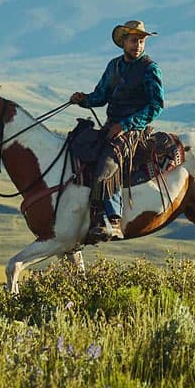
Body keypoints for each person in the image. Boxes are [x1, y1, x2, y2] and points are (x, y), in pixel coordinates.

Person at [69, 19, 164, 241]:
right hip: (112, 125)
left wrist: (126, 124)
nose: (138, 45)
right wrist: (83, 100)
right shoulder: (114, 66)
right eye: (134, 41)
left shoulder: (150, 69)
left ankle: (112, 219)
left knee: (107, 164)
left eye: (141, 41)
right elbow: (101, 96)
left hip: (134, 128)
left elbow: (155, 105)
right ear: (123, 42)